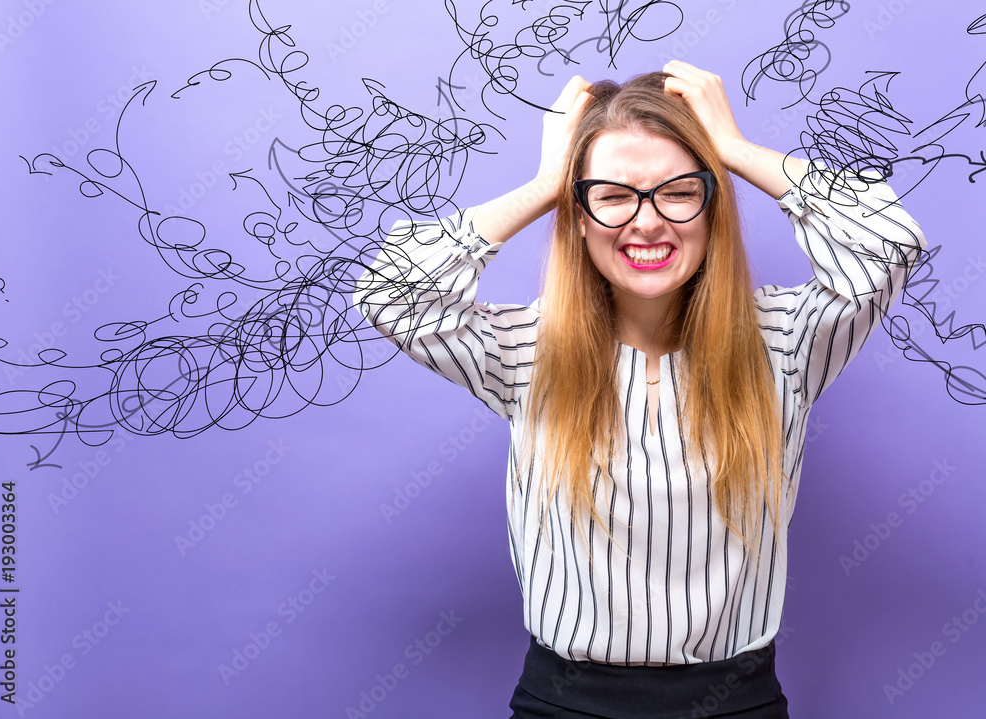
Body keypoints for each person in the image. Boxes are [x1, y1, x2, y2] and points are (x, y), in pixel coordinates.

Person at [353, 60, 926, 718]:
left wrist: (735, 150)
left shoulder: (786, 341)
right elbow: (390, 291)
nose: (647, 221)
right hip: (563, 704)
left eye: (678, 190)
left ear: (713, 205)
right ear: (580, 214)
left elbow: (888, 244)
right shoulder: (527, 352)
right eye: (614, 194)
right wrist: (546, 183)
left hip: (734, 703)